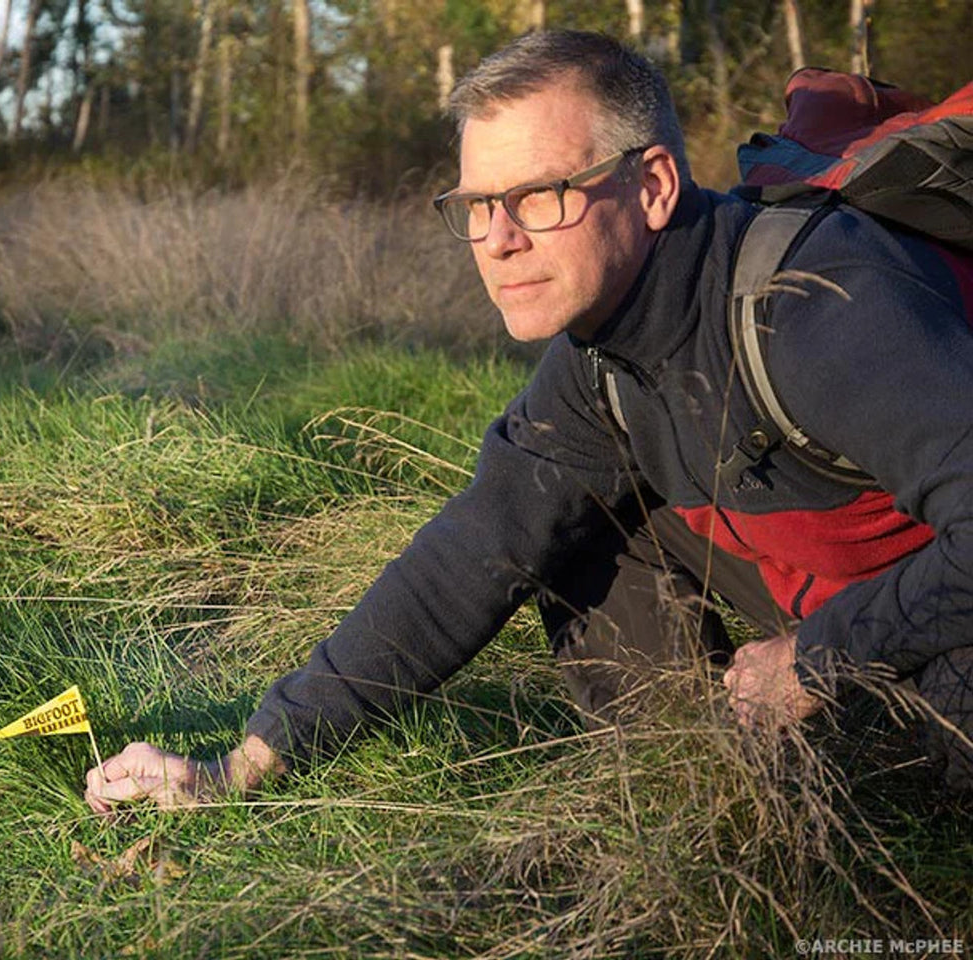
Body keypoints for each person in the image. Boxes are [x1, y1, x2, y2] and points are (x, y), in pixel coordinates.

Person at [85, 30, 973, 812]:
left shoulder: (819, 304)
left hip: (938, 601)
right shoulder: (597, 357)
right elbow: (467, 558)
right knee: (565, 528)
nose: (500, 240)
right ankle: (697, 792)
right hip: (838, 593)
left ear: (655, 185)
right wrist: (238, 766)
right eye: (477, 206)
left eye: (540, 195)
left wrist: (815, 660)